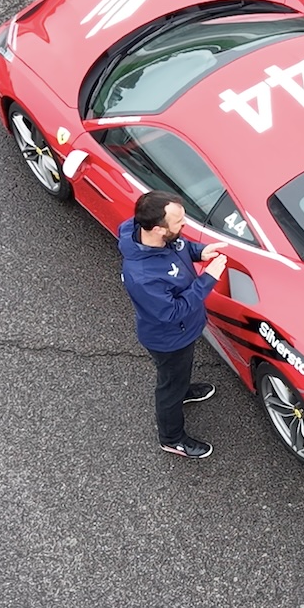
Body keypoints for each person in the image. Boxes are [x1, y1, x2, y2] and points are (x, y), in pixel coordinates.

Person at [119, 190, 229, 457]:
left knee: (178, 374)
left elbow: (180, 248)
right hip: (169, 339)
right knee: (169, 386)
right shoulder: (143, 277)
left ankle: (184, 389)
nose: (185, 225)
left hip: (183, 332)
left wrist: (200, 252)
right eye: (179, 222)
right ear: (157, 229)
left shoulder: (154, 234)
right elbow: (172, 312)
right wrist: (207, 279)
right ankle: (171, 438)